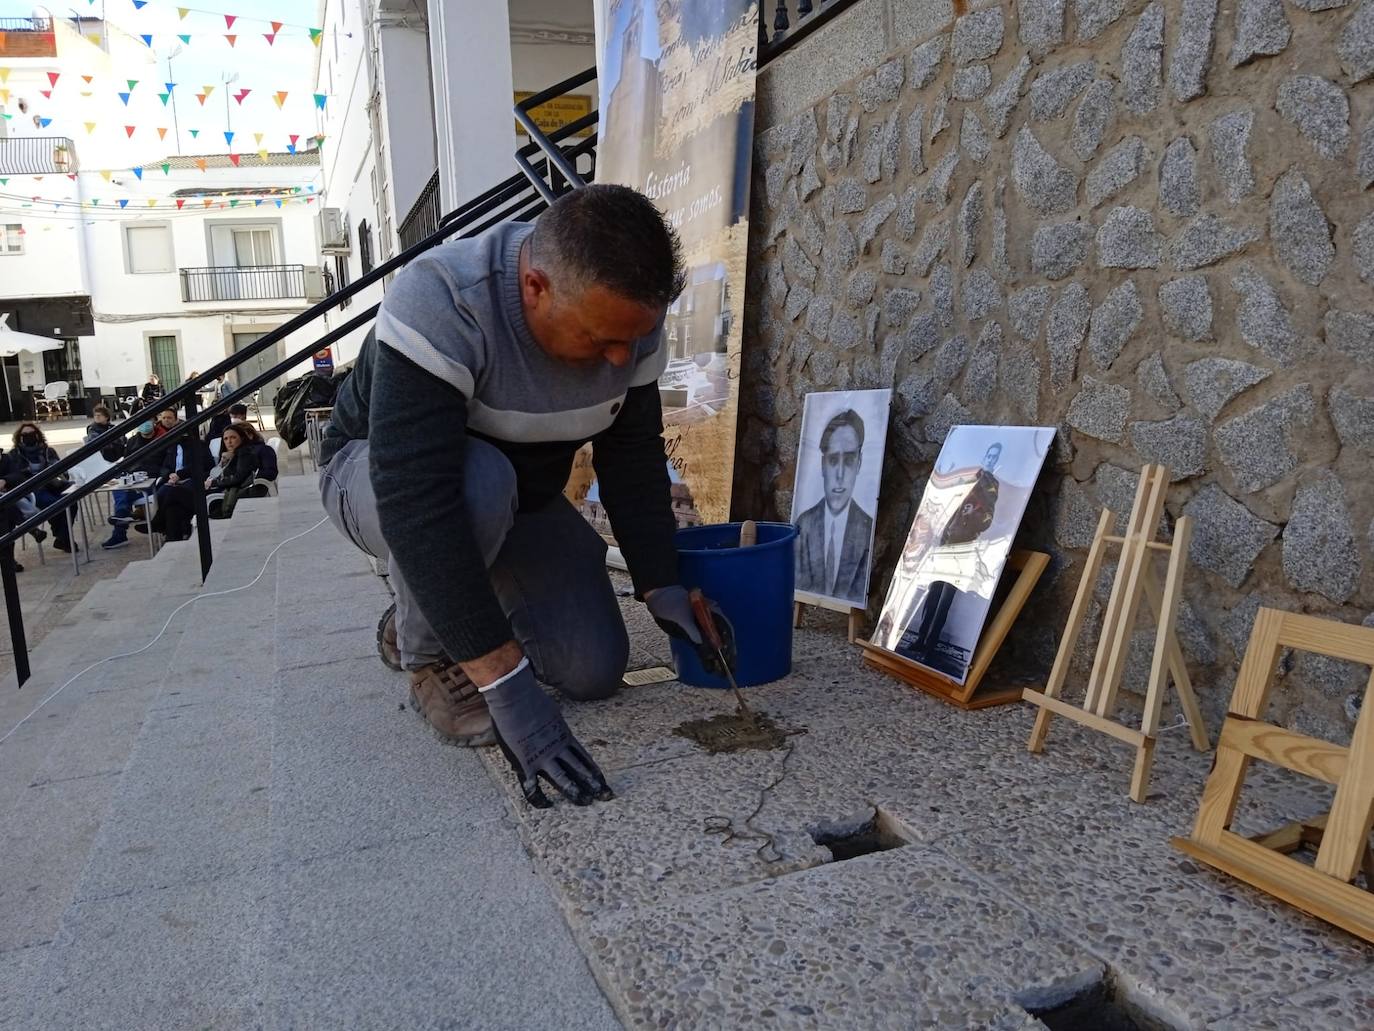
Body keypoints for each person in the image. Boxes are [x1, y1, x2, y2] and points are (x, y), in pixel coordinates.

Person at [318, 183, 732, 809]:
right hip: (386, 479)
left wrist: (660, 584)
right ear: (536, 287)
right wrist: (508, 689)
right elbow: (417, 501)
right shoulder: (445, 299)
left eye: (633, 341)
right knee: (477, 484)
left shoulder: (629, 322)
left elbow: (633, 458)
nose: (620, 358)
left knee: (592, 669)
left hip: (521, 497)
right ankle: (428, 654)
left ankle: (438, 605)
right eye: (601, 341)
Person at [906, 442, 1003, 665]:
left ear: (996, 461)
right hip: (944, 542)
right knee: (933, 593)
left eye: (994, 457)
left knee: (946, 598)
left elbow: (988, 518)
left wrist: (970, 519)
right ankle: (921, 639)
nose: (989, 460)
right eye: (988, 455)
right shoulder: (967, 475)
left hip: (964, 546)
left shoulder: (991, 485)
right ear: (984, 456)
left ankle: (930, 645)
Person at [793, 409, 875, 605]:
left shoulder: (867, 529)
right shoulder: (803, 525)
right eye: (832, 460)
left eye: (848, 460)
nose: (839, 475)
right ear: (822, 464)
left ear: (859, 463)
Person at [101, 420, 175, 550]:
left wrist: (159, 477)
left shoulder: (164, 439)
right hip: (133, 481)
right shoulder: (132, 441)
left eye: (148, 422)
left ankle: (120, 528)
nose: (145, 426)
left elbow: (168, 464)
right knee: (120, 488)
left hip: (153, 482)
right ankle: (123, 516)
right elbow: (126, 462)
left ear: (154, 423)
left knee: (123, 497)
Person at [7, 423, 75, 552]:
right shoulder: (14, 455)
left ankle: (62, 537)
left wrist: (57, 475)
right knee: (55, 505)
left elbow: (60, 469)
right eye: (25, 435)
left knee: (71, 499)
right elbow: (16, 477)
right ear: (19, 437)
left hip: (52, 484)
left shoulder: (48, 450)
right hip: (32, 489)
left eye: (32, 434)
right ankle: (64, 539)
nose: (29, 437)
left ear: (38, 435)